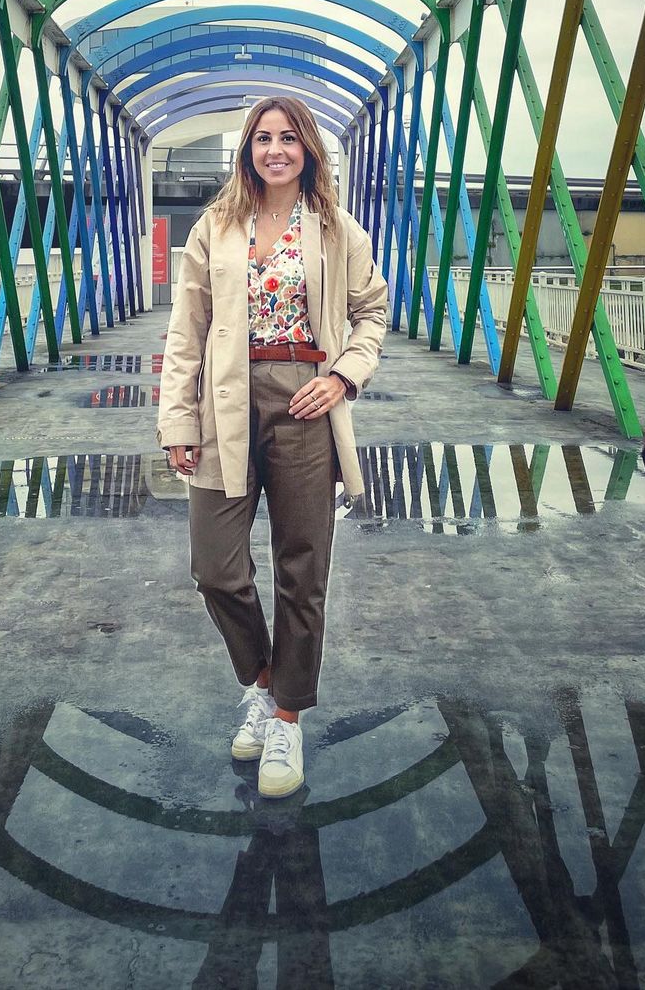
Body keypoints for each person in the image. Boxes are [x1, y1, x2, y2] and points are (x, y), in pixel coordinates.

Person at [157, 96, 389, 798]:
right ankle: (263, 681)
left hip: (305, 396)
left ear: (308, 148)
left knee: (302, 568)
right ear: (247, 150)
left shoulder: (337, 228)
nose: (276, 149)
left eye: (289, 138)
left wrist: (343, 377)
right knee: (215, 568)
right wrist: (178, 420)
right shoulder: (216, 225)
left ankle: (286, 718)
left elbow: (372, 311)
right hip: (224, 401)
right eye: (263, 138)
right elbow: (186, 329)